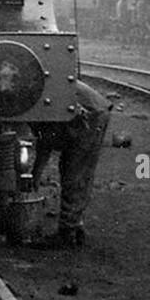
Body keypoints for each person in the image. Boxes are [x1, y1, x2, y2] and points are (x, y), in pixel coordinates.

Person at [31, 78, 112, 247]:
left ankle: (68, 233)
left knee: (74, 171)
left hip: (90, 113)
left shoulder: (29, 99)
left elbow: (44, 143)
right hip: (88, 109)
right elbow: (44, 139)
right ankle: (75, 226)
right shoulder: (31, 92)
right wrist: (35, 175)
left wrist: (34, 177)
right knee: (74, 168)